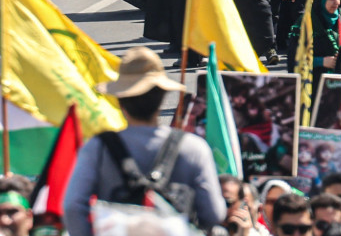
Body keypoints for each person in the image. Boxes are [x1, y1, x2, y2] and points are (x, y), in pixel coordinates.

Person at [62, 46, 225, 236]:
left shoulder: (97, 148)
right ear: (162, 98)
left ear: (121, 102)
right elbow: (213, 213)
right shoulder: (193, 148)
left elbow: (73, 206)